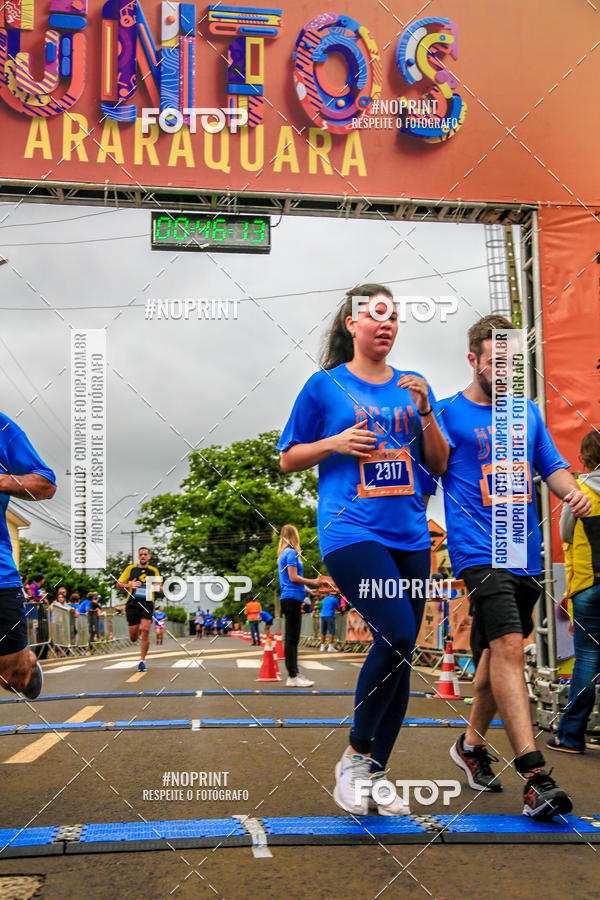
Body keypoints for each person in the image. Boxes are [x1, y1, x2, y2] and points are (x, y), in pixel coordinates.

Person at [278, 283, 449, 814]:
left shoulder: (415, 386)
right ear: (351, 324)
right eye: (375, 316)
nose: (386, 324)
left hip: (411, 535)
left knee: (399, 656)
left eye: (394, 317)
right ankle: (353, 756)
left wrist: (424, 413)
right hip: (351, 531)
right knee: (397, 633)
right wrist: (333, 443)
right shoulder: (323, 386)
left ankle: (375, 774)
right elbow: (287, 457)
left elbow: (439, 464)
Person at [437, 314, 591, 820]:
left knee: (492, 660)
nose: (504, 372)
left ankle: (470, 746)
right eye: (495, 363)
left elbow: (552, 468)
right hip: (477, 551)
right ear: (473, 360)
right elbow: (423, 474)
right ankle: (534, 775)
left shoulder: (525, 412)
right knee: (506, 649)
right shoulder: (447, 415)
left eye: (512, 363)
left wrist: (576, 495)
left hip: (523, 552)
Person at [547, 430, 600, 754]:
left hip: (588, 585)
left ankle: (570, 736)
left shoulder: (579, 490)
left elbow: (566, 531)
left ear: (585, 458)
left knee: (586, 662)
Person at [0, 412, 56, 697]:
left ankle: (27, 666)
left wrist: (3, 481)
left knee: (13, 677)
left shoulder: (2, 427)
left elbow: (45, 484)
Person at [276, 526, 320, 688]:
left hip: (290, 597)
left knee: (292, 638)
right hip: (292, 598)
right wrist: (312, 582)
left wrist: (309, 590)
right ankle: (293, 675)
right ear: (294, 536)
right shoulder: (292, 553)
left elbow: (290, 579)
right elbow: (294, 578)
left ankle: (294, 673)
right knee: (292, 639)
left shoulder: (284, 553)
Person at [116, 548, 161, 672]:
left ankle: (142, 661)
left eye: (145, 554)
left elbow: (160, 587)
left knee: (145, 629)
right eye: (141, 554)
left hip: (147, 602)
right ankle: (137, 632)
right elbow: (118, 584)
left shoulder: (153, 571)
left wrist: (156, 587)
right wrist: (129, 585)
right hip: (132, 603)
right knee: (134, 637)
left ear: (149, 557)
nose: (143, 556)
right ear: (138, 556)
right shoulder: (130, 569)